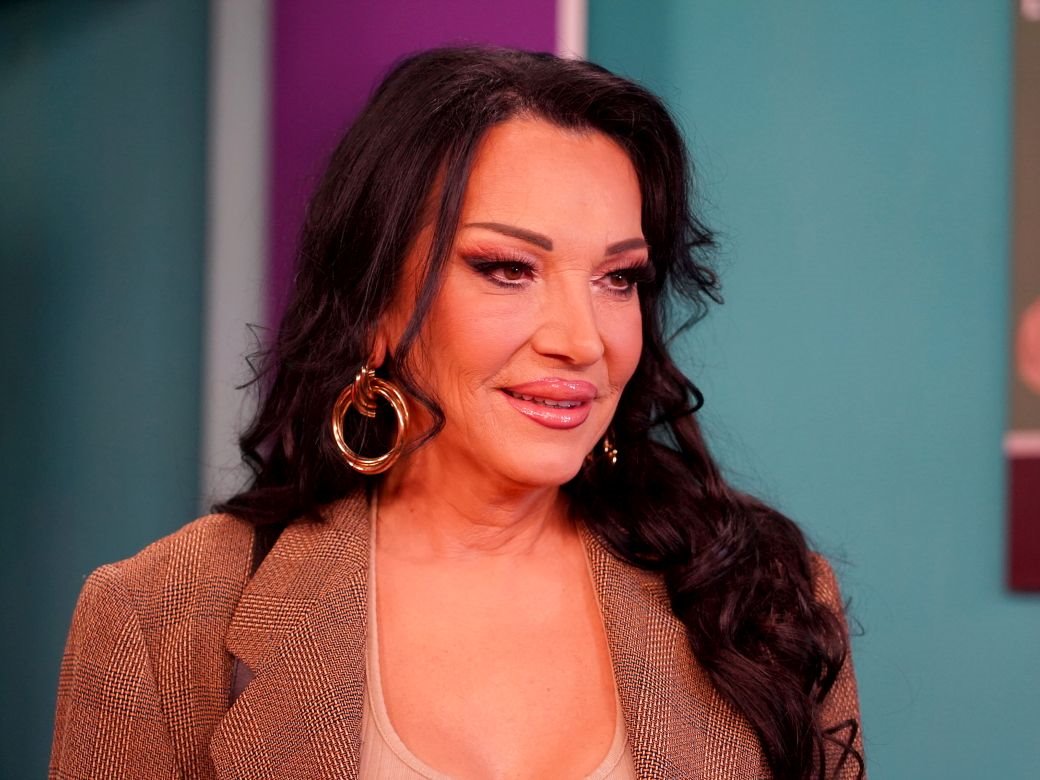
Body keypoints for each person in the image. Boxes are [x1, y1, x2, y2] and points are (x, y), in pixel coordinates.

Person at [50, 46, 865, 779]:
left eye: (618, 278)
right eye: (508, 268)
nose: (583, 341)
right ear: (375, 302)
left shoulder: (765, 596)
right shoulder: (159, 618)